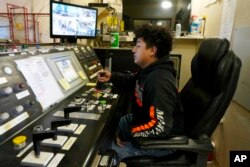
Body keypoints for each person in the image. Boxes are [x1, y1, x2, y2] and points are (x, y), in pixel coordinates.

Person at [97, 24, 184, 164]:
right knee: (112, 126)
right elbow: (133, 80)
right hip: (143, 122)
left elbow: (160, 128)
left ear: (152, 50)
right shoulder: (148, 70)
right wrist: (112, 76)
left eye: (138, 46)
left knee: (105, 153)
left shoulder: (159, 81)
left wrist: (129, 134)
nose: (133, 50)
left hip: (160, 144)